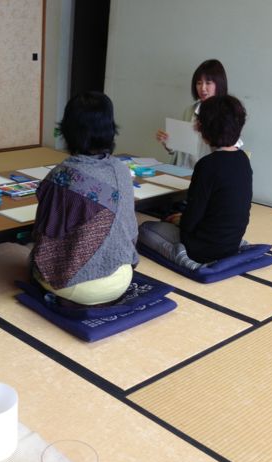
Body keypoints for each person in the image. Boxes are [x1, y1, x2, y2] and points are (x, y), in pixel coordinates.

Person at [30, 91, 139, 306]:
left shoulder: (62, 176)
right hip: (124, 275)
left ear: (69, 130)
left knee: (34, 262)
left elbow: (44, 236)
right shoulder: (121, 169)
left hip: (80, 286)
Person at [139, 95, 252, 269]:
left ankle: (183, 256)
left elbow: (191, 219)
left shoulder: (207, 165)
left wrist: (180, 221)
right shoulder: (243, 159)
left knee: (145, 229)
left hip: (201, 249)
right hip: (231, 243)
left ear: (205, 129)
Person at [156, 59, 241, 169]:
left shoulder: (226, 113)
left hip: (208, 172)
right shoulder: (190, 111)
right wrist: (169, 143)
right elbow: (182, 151)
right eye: (199, 83)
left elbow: (231, 149)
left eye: (208, 83)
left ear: (219, 84)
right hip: (183, 171)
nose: (202, 88)